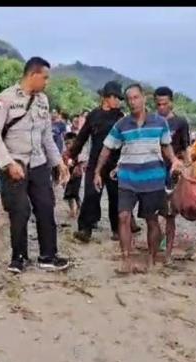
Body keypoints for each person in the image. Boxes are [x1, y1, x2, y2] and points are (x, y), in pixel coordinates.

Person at [0, 56, 70, 274]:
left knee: (46, 207)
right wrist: (7, 163)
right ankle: (19, 257)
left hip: (38, 163)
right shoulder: (6, 98)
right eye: (44, 77)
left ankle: (48, 256)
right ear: (32, 75)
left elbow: (47, 137)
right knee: (20, 211)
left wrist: (59, 163)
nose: (46, 82)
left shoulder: (43, 100)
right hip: (15, 162)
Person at [93, 83, 183, 274]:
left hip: (153, 178)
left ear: (143, 98)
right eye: (129, 99)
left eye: (136, 97)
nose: (133, 102)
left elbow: (166, 146)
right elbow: (107, 147)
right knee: (123, 216)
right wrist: (97, 171)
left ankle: (151, 257)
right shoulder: (122, 125)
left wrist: (174, 160)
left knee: (151, 220)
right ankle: (126, 259)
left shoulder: (159, 123)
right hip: (127, 176)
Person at [65, 81, 126, 242]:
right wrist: (71, 155)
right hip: (94, 163)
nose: (118, 101)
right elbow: (81, 138)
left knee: (115, 198)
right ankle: (85, 229)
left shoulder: (120, 117)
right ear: (107, 98)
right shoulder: (93, 115)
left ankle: (117, 229)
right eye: (116, 98)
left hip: (114, 163)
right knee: (91, 195)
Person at [154, 86, 190, 258]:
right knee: (152, 210)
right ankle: (157, 240)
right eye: (158, 104)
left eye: (165, 104)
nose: (162, 107)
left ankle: (168, 252)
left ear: (171, 103)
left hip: (172, 172)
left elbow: (185, 149)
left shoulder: (180, 123)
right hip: (153, 169)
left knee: (169, 214)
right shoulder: (150, 121)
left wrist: (187, 170)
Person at [63, 132, 82, 218]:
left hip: (77, 176)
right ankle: (72, 210)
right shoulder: (65, 153)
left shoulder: (79, 153)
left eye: (69, 143)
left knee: (75, 193)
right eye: (66, 143)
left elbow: (81, 162)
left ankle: (79, 207)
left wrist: (77, 167)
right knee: (68, 194)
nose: (67, 145)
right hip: (68, 176)